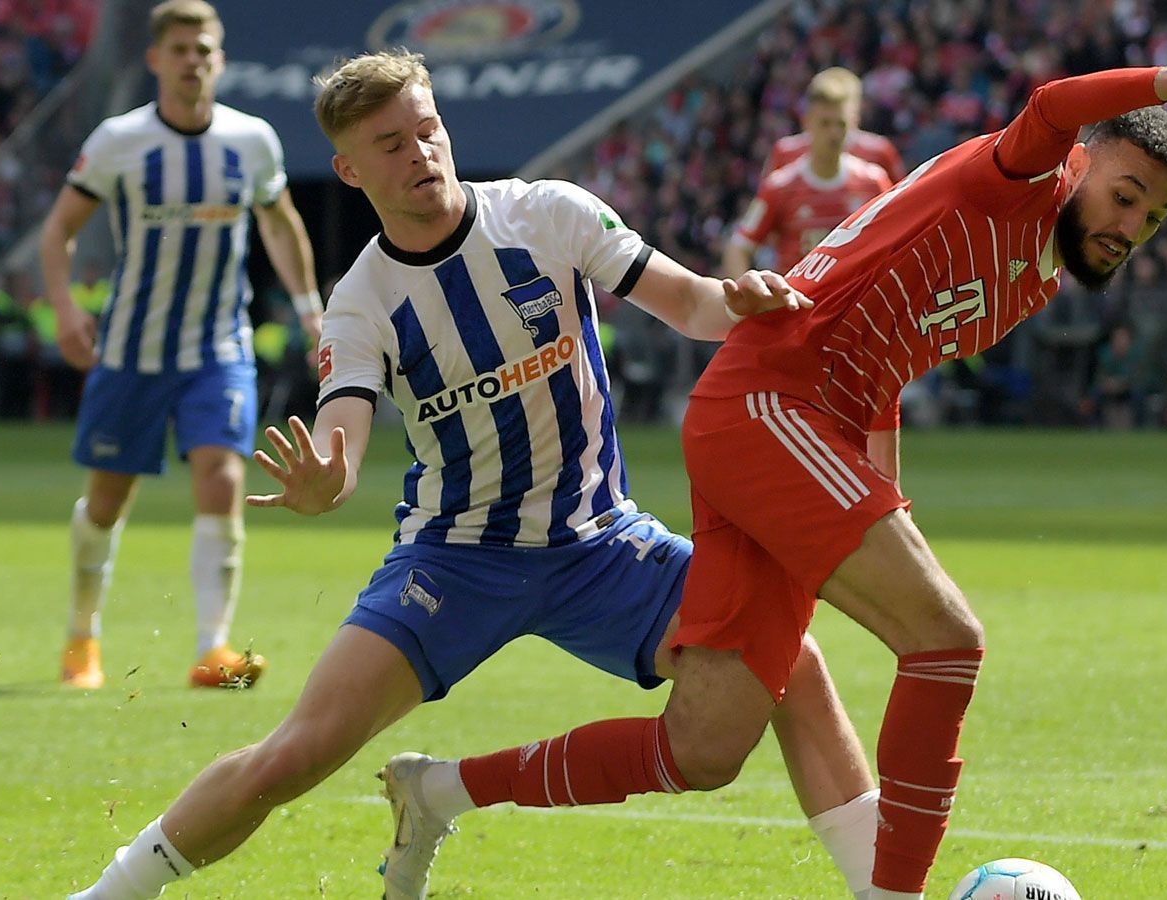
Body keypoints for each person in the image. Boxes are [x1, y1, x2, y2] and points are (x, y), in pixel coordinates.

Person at [404, 29, 1167, 900]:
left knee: (704, 749)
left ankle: (436, 790)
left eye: (1155, 216)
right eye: (1126, 195)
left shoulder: (1036, 274)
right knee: (947, 642)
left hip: (789, 428)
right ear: (1086, 165)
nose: (1131, 226)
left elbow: (889, 367)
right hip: (770, 405)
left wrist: (886, 497)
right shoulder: (1021, 177)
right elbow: (1054, 103)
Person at [66, 50, 881, 900]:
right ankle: (110, 893)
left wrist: (740, 297)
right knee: (298, 752)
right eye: (390, 144)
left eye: (427, 130)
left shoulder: (549, 213)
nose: (420, 152)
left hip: (602, 544)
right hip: (454, 560)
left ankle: (882, 890)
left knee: (791, 662)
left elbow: (689, 303)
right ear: (347, 169)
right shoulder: (362, 300)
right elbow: (342, 433)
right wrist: (323, 484)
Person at [40, 0, 323, 690]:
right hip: (131, 351)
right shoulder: (119, 141)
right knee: (107, 501)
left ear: (219, 59)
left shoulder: (251, 141)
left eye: (205, 50)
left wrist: (313, 310)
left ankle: (213, 649)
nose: (194, 61)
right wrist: (66, 307)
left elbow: (281, 224)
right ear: (156, 60)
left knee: (223, 479)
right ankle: (82, 638)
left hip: (217, 348)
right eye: (181, 50)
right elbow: (59, 231)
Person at [724, 67, 893, 276]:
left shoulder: (873, 181)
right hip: (801, 303)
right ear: (807, 123)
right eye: (825, 124)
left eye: (841, 124)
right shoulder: (779, 185)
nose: (834, 133)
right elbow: (738, 247)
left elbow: (898, 237)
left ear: (854, 123)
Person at [765, 66, 906, 183]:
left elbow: (899, 202)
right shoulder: (785, 152)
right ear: (808, 118)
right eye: (825, 122)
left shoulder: (879, 152)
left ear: (856, 113)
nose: (833, 132)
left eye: (840, 121)